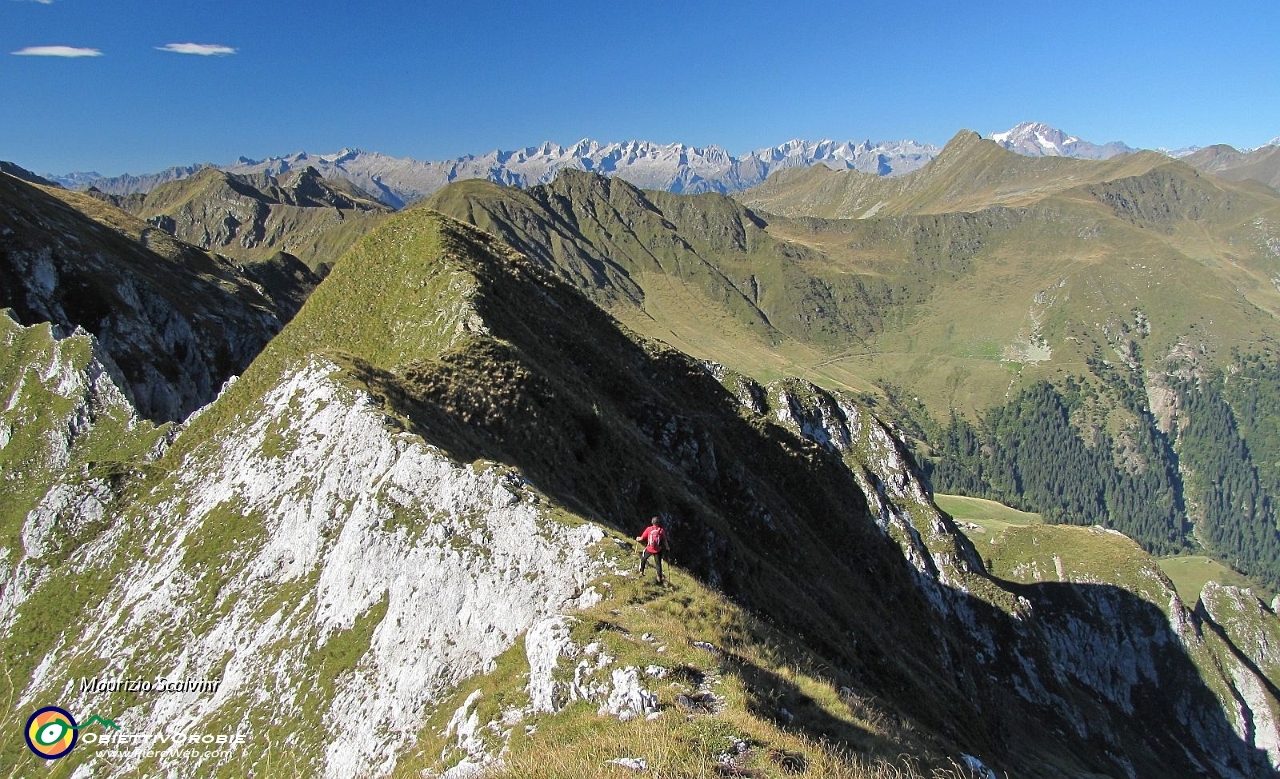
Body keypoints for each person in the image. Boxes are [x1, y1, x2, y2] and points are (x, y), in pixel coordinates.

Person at [637, 517, 668, 584]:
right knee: (658, 564)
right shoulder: (661, 530)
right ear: (658, 523)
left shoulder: (649, 529)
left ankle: (641, 572)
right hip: (658, 550)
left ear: (652, 522)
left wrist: (638, 539)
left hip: (649, 548)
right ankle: (659, 578)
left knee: (643, 558)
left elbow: (642, 538)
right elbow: (665, 540)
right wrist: (667, 547)